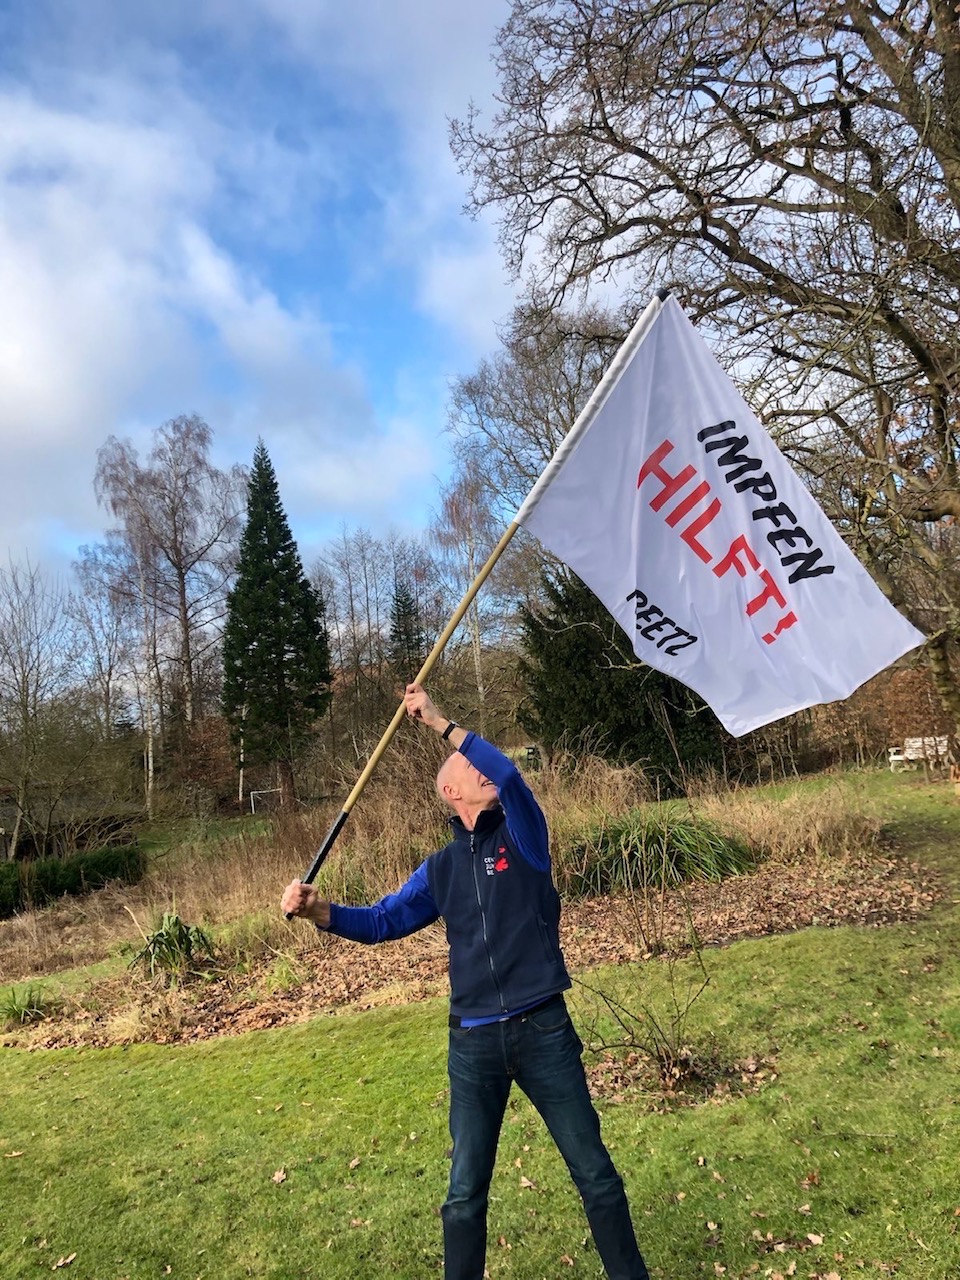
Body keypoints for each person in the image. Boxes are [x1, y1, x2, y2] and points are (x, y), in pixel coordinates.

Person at [281, 683, 650, 1280]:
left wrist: (440, 723)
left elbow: (510, 776)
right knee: (463, 1194)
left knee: (596, 1176)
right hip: (473, 1045)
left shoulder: (524, 834)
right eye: (469, 765)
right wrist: (320, 911)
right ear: (452, 790)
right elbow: (381, 921)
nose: (484, 766)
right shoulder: (440, 868)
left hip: (543, 1031)